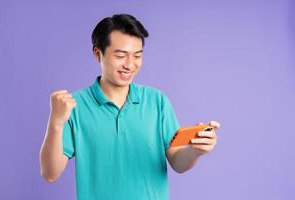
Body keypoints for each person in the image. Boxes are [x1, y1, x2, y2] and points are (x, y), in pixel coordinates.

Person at [39, 14, 220, 200]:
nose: (129, 65)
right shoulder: (74, 105)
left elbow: (178, 162)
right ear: (97, 54)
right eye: (120, 56)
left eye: (137, 56)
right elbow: (50, 174)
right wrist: (56, 123)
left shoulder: (157, 101)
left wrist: (195, 150)